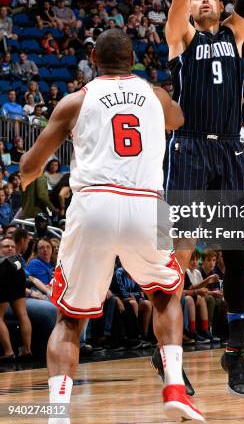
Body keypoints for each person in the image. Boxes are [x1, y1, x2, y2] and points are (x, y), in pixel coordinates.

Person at [20, 29, 205, 423]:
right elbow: (178, 118)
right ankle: (174, 386)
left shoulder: (75, 101)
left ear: (92, 57)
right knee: (166, 293)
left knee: (70, 319)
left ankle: (57, 415)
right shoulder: (155, 96)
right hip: (145, 204)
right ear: (133, 59)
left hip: (94, 204)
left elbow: (30, 167)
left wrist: (22, 179)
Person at [152, 0, 244, 398]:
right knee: (182, 250)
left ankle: (234, 352)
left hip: (230, 151)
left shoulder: (235, 36)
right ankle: (167, 352)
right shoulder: (182, 39)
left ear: (221, 6)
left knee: (236, 253)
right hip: (190, 148)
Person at [0, 237, 32, 361]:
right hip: (17, 275)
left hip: (4, 274)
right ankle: (27, 350)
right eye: (6, 246)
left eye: (12, 246)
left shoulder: (12, 262)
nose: (10, 248)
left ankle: (9, 352)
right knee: (23, 315)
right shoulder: (19, 262)